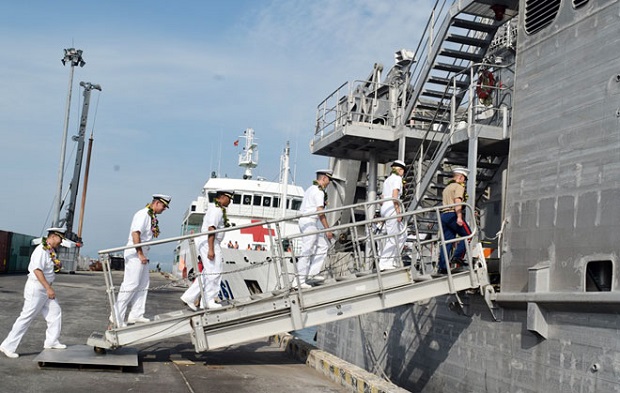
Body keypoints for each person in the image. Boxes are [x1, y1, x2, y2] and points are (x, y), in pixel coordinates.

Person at [0, 228, 67, 359]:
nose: (61, 242)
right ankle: (8, 345)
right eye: (60, 239)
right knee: (26, 317)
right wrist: (48, 288)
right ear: (53, 236)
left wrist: (57, 266)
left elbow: (48, 268)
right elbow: (37, 271)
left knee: (55, 312)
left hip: (44, 289)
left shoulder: (50, 251)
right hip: (37, 288)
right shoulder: (41, 250)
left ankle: (51, 341)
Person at [111, 194, 171, 326]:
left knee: (143, 284)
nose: (164, 209)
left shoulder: (151, 217)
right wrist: (140, 254)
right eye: (163, 206)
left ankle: (136, 314)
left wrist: (144, 254)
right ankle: (116, 316)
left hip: (143, 253)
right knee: (130, 284)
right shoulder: (143, 214)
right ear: (156, 203)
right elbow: (135, 233)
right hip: (135, 253)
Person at [181, 190, 233, 310]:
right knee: (215, 271)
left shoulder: (216, 209)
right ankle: (209, 300)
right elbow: (211, 229)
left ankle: (189, 297)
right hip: (210, 242)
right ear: (222, 197)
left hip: (210, 242)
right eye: (229, 198)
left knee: (207, 273)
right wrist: (211, 249)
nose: (230, 201)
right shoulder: (217, 210)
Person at [296, 169, 334, 288]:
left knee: (322, 246)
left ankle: (312, 273)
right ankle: (299, 280)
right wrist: (327, 229)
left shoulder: (310, 189)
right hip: (310, 222)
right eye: (329, 180)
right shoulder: (319, 192)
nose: (329, 182)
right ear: (324, 178)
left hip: (306, 221)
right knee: (307, 250)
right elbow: (320, 212)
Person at [437, 167, 472, 274]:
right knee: (469, 235)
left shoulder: (447, 188)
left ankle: (442, 266)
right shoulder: (458, 187)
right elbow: (458, 202)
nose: (464, 182)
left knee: (447, 241)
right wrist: (459, 217)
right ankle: (458, 256)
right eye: (464, 179)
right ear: (460, 177)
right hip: (453, 214)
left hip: (444, 215)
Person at [378, 160, 407, 271]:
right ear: (400, 170)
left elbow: (382, 196)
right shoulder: (397, 179)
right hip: (392, 207)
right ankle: (384, 262)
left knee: (403, 234)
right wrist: (398, 211)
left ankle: (393, 259)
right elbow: (395, 195)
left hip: (385, 207)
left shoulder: (388, 179)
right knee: (393, 236)